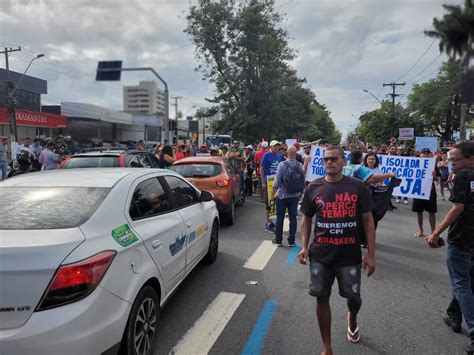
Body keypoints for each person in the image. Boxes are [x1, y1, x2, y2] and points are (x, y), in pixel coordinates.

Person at [297, 147, 375, 355]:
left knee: (353, 297)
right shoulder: (313, 187)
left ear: (343, 161)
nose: (328, 163)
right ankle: (327, 347)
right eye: (325, 160)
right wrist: (304, 246)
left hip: (349, 256)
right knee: (321, 297)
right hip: (320, 255)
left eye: (333, 159)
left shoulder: (357, 187)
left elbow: (368, 220)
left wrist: (371, 254)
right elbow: (306, 217)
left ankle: (352, 318)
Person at [425, 142, 474, 354]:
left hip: (462, 239)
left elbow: (458, 207)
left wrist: (436, 232)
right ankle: (454, 314)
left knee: (462, 283)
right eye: (450, 159)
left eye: (456, 159)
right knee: (466, 280)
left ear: (471, 159)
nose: (450, 163)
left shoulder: (464, 176)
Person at [270, 146, 304, 247]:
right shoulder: (300, 165)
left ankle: (278, 239)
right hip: (295, 196)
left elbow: (276, 182)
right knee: (293, 218)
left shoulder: (282, 165)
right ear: (296, 153)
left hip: (282, 195)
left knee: (280, 218)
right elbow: (302, 180)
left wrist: (272, 195)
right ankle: (291, 241)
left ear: (287, 153)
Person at [412, 148, 439, 237]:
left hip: (430, 191)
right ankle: (421, 229)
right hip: (418, 191)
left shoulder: (433, 165)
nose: (425, 155)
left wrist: (435, 176)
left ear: (430, 154)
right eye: (424, 153)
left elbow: (438, 179)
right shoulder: (415, 164)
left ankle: (433, 232)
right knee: (419, 212)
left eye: (427, 153)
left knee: (431, 212)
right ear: (420, 154)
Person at [260, 140, 284, 233]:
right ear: (270, 147)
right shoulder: (266, 155)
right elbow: (262, 168)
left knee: (276, 202)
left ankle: (271, 221)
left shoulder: (279, 156)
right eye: (274, 146)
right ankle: (268, 223)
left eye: (277, 146)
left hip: (277, 182)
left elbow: (281, 168)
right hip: (268, 182)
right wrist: (262, 182)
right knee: (269, 203)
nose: (276, 147)